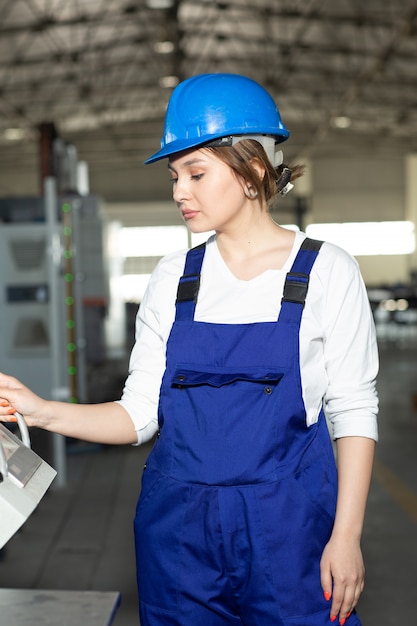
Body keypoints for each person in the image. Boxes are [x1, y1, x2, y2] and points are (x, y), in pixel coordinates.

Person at [0, 73, 378, 626]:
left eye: (197, 173)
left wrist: (346, 536)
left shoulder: (326, 272)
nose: (180, 191)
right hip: (179, 540)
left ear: (252, 168)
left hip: (289, 533)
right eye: (176, 175)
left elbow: (354, 410)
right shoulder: (173, 279)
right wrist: (40, 410)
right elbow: (138, 415)